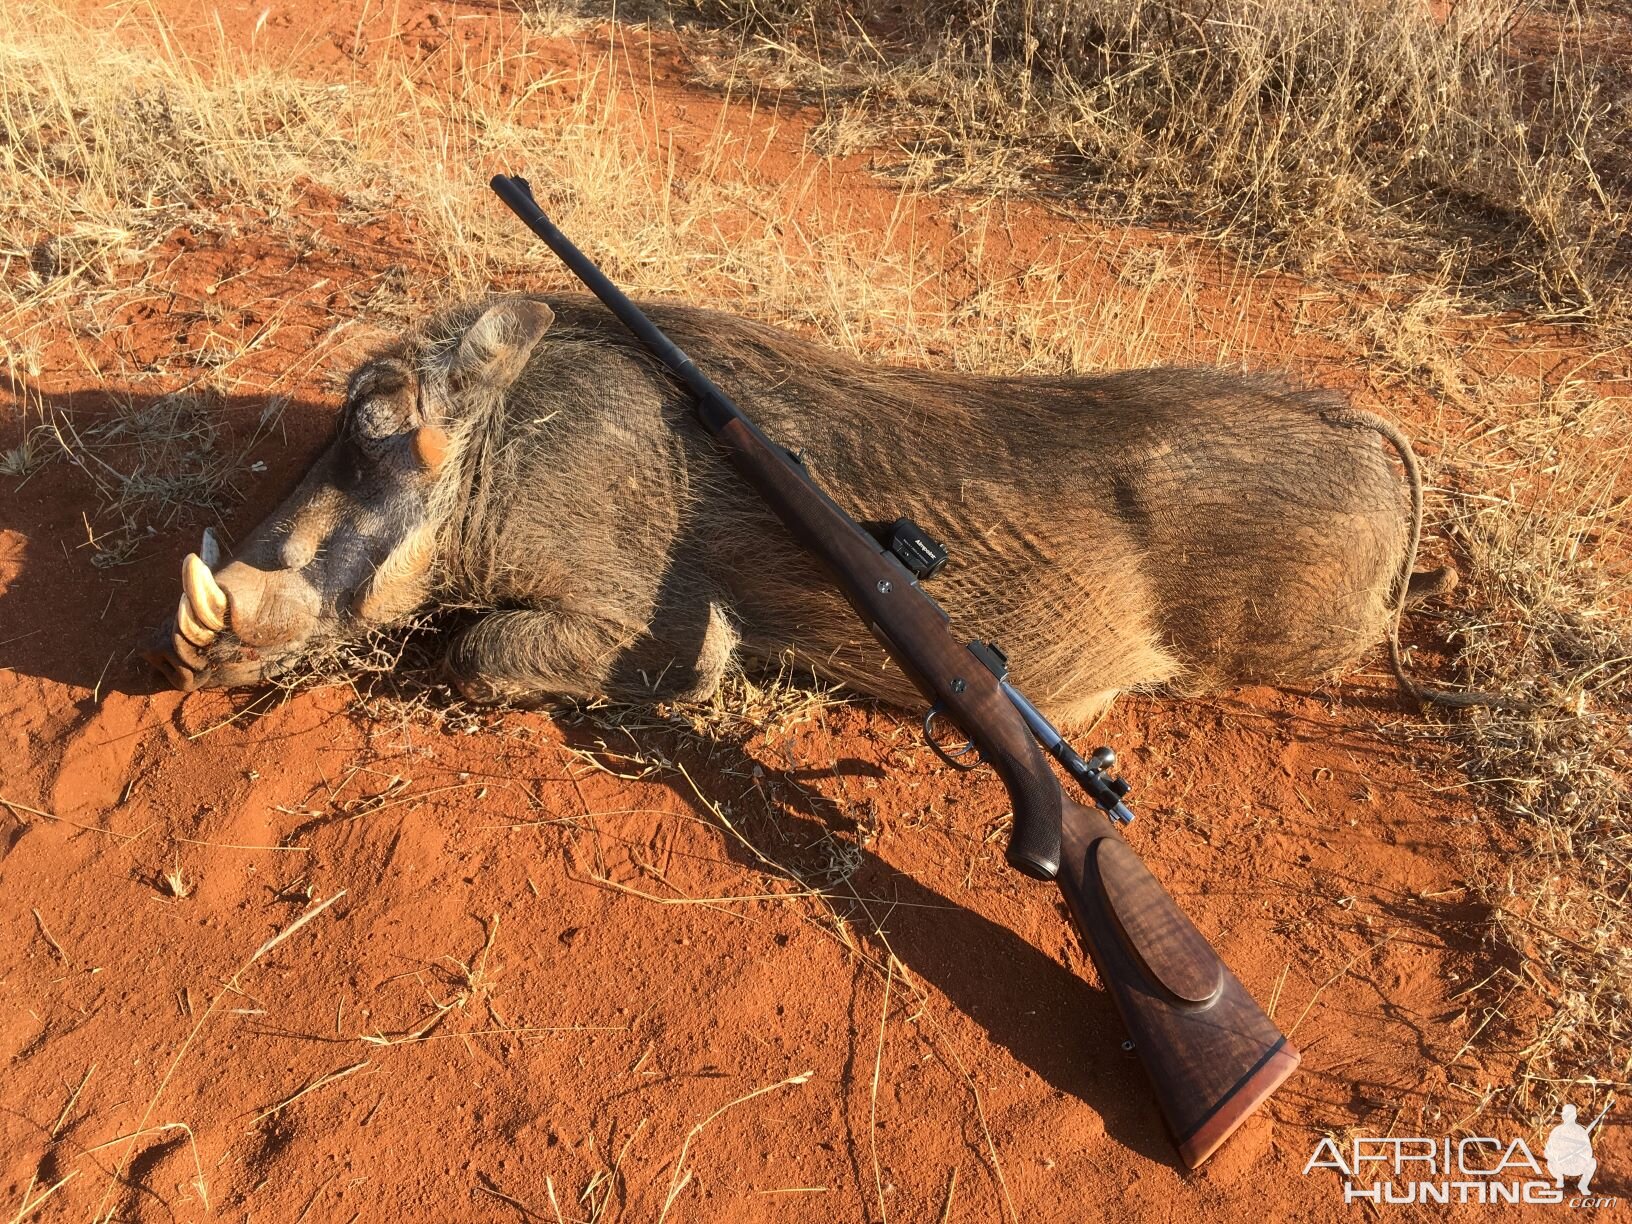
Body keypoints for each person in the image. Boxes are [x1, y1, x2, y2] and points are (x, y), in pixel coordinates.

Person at [1544, 1104, 1597, 1194]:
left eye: (1570, 1115)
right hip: (1561, 1165)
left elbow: (1589, 1152)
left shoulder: (1580, 1131)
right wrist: (1556, 1156)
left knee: (1592, 1162)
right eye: (1566, 1115)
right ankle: (1560, 1180)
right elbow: (1547, 1151)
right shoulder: (1557, 1131)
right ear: (1563, 1116)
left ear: (1575, 1116)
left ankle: (1583, 1185)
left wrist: (1578, 1154)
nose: (1567, 1117)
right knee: (1550, 1162)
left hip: (1576, 1166)